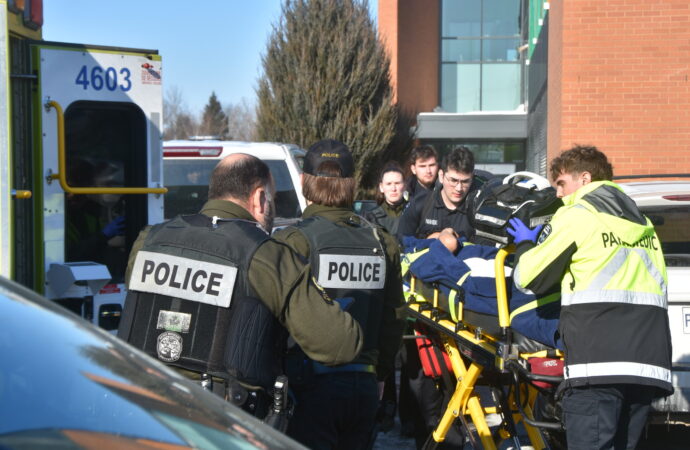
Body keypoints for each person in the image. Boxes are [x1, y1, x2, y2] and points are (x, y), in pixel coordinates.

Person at [118, 154, 364, 419]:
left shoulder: (149, 239)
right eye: (273, 199)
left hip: (140, 409)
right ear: (259, 198)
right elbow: (340, 344)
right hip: (223, 421)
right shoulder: (266, 254)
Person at [508, 145, 672, 450]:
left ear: (584, 179)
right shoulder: (643, 224)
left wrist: (526, 245)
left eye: (561, 183)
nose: (557, 194)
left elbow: (528, 278)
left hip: (597, 366)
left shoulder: (578, 214)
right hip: (646, 367)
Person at [272, 139, 405, 450]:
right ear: (353, 184)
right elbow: (394, 317)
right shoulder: (381, 242)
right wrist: (381, 373)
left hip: (309, 387)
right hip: (364, 385)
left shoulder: (294, 241)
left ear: (304, 182)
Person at [397, 145, 481, 244]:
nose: (459, 188)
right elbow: (402, 241)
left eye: (465, 182)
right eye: (453, 180)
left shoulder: (478, 209)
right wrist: (430, 241)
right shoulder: (420, 204)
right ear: (441, 176)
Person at [65, 159, 127, 281]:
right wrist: (103, 236)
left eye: (78, 187)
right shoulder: (59, 217)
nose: (71, 194)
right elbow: (71, 255)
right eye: (69, 187)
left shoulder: (94, 212)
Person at [366, 161, 407, 236]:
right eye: (388, 184)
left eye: (397, 183)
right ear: (381, 187)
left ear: (404, 186)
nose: (393, 188)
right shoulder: (371, 217)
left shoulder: (415, 213)